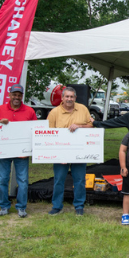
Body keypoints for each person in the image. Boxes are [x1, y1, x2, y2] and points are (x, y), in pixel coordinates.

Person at [0, 85, 39, 217]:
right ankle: (4, 206)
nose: (16, 97)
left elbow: (36, 130)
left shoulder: (29, 111)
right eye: (14, 94)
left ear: (22, 96)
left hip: (22, 153)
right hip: (3, 151)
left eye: (19, 95)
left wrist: (30, 150)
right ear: (9, 95)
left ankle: (21, 207)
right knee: (2, 179)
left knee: (22, 180)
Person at [48, 87, 96, 216]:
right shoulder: (54, 112)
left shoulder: (83, 109)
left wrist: (79, 126)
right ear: (62, 98)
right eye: (67, 96)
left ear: (75, 98)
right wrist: (56, 154)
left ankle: (79, 206)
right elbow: (48, 133)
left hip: (79, 151)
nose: (69, 99)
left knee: (79, 180)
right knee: (59, 180)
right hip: (61, 152)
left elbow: (91, 126)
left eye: (72, 97)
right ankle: (57, 206)